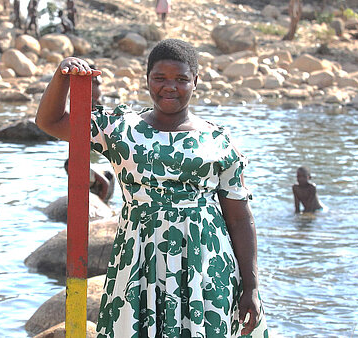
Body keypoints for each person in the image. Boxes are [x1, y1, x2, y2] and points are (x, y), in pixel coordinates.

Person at [36, 39, 268, 337]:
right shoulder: (121, 130)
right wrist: (61, 78)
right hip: (139, 260)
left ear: (195, 81)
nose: (170, 87)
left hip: (206, 264)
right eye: (160, 78)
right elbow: (49, 121)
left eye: (181, 79)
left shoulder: (217, 141)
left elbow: (239, 217)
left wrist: (251, 287)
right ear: (147, 80)